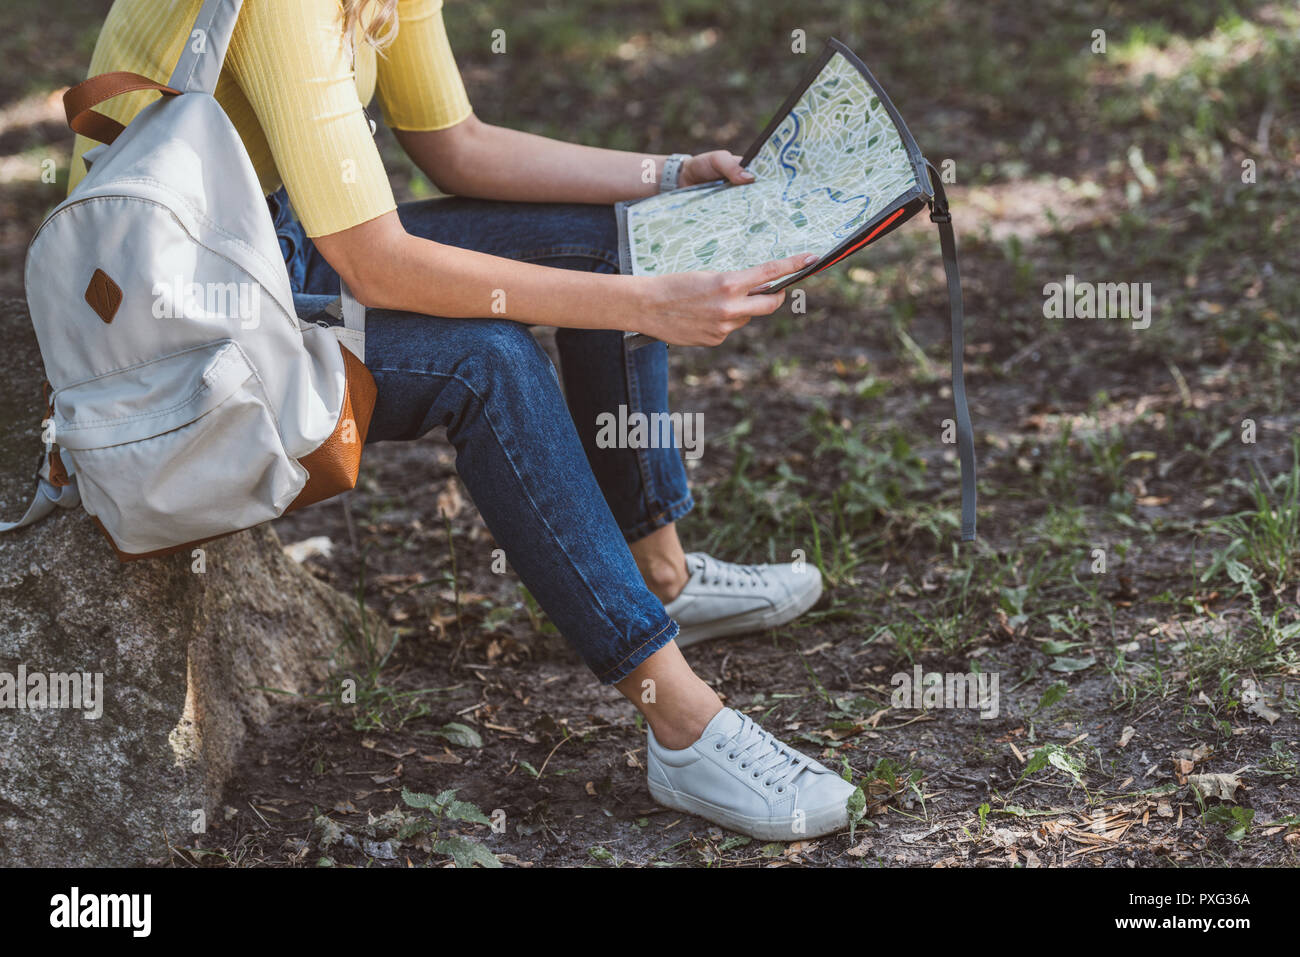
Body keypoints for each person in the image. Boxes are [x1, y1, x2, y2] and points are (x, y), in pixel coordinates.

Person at [71, 0, 856, 839]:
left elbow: (455, 144)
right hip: (179, 308)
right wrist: (644, 305)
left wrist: (665, 178)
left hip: (274, 236)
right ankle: (684, 724)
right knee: (489, 362)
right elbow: (375, 264)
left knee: (622, 237)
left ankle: (661, 572)